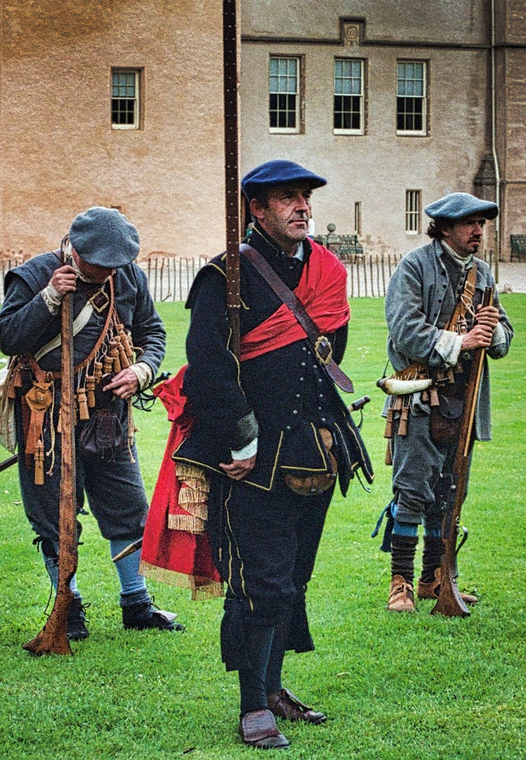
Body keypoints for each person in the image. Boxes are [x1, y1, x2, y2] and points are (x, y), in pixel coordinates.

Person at [174, 160, 373, 749]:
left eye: (305, 198)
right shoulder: (224, 276)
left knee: (294, 577)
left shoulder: (328, 272)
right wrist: (242, 434)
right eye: (288, 199)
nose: (302, 208)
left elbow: (328, 348)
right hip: (250, 454)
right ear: (256, 210)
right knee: (260, 582)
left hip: (312, 448)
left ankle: (275, 687)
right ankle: (251, 707)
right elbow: (208, 366)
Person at [0, 207, 181, 638]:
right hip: (46, 416)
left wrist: (142, 371)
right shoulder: (35, 274)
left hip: (108, 417)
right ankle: (68, 605)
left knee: (128, 509)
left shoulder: (127, 276)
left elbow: (152, 332)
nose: (110, 272)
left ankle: (136, 602)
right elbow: (6, 336)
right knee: (54, 516)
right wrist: (48, 299)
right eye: (101, 264)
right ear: (75, 251)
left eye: (117, 264)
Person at [382, 192, 513, 612]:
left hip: (464, 400)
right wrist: (461, 340)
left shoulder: (484, 274)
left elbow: (504, 335)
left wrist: (492, 334)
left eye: (481, 224)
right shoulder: (414, 267)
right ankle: (400, 583)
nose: (478, 231)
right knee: (412, 491)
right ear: (445, 228)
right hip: (418, 395)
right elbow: (404, 330)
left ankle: (434, 580)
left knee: (450, 491)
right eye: (469, 224)